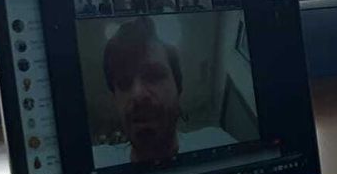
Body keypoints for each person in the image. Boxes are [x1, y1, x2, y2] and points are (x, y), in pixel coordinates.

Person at [95, 17, 236, 166]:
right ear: (115, 100)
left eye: (154, 75)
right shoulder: (97, 162)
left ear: (178, 86)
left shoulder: (218, 144)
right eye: (124, 83)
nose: (137, 94)